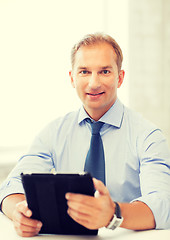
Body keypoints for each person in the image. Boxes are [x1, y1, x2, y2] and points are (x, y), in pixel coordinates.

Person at [0, 33, 170, 237]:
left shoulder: (148, 136)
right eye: (84, 72)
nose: (93, 83)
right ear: (72, 78)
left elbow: (164, 204)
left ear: (120, 77)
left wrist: (112, 213)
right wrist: (19, 212)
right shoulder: (54, 132)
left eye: (105, 71)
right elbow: (9, 187)